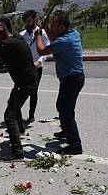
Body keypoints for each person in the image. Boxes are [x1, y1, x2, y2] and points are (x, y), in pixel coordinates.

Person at [0, 21, 38, 161]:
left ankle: (17, 152)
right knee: (12, 102)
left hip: (24, 82)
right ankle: (19, 129)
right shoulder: (17, 38)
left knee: (9, 114)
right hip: (28, 79)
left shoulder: (5, 44)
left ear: (1, 33)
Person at [34, 11, 85, 155]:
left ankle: (75, 145)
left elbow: (42, 51)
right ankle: (66, 131)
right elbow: (52, 36)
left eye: (54, 25)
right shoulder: (73, 33)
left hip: (72, 79)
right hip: (74, 78)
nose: (51, 27)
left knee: (66, 111)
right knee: (62, 106)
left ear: (62, 27)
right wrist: (45, 29)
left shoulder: (63, 41)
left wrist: (38, 36)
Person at [19, 10, 50, 124]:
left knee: (33, 91)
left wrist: (39, 62)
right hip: (24, 68)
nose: (27, 23)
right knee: (21, 91)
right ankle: (17, 115)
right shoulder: (22, 35)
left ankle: (31, 115)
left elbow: (47, 50)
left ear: (33, 20)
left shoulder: (41, 33)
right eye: (25, 22)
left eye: (29, 21)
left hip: (36, 68)